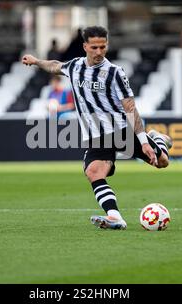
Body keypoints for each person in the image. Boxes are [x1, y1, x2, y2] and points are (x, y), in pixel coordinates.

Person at [22, 26, 172, 230]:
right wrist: (36, 61)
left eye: (103, 46)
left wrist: (144, 141)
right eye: (94, 47)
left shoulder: (114, 73)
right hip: (97, 136)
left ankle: (158, 140)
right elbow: (55, 66)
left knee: (162, 162)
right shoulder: (75, 67)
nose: (99, 51)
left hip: (122, 130)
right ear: (85, 46)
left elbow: (130, 107)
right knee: (93, 171)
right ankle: (114, 216)